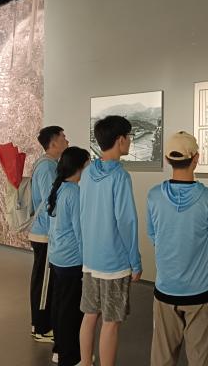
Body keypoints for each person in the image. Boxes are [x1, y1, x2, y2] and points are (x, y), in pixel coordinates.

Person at [146, 131, 208, 366]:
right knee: (200, 359)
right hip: (200, 292)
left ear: (167, 160)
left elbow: (154, 236)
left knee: (162, 359)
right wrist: (196, 266)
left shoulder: (154, 196)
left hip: (165, 289)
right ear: (196, 158)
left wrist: (171, 260)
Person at [79, 115, 142, 366]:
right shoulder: (120, 177)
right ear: (120, 139)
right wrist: (135, 262)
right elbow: (127, 222)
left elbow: (82, 214)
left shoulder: (87, 173)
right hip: (114, 262)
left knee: (89, 315)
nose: (130, 141)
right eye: (129, 136)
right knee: (111, 322)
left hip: (90, 258)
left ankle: (85, 362)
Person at [47, 146, 90, 366]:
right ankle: (70, 356)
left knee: (59, 306)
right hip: (72, 260)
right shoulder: (74, 192)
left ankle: (59, 349)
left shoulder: (60, 188)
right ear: (80, 166)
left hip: (57, 257)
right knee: (71, 311)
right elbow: (79, 231)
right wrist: (87, 261)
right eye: (88, 163)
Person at [30, 126, 69, 346]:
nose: (67, 140)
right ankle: (42, 328)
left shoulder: (49, 164)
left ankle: (40, 324)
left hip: (46, 232)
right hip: (45, 233)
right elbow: (50, 201)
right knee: (44, 283)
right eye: (63, 137)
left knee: (44, 281)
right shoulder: (47, 167)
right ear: (53, 143)